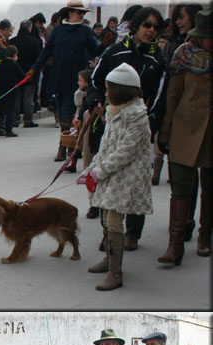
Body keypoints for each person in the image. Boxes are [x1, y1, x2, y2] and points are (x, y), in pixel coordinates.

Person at [90, 6, 168, 251]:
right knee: (109, 176)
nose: (151, 31)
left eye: (156, 27)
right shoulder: (114, 52)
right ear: (136, 26)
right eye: (147, 25)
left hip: (140, 123)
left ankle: (133, 232)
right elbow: (95, 80)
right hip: (111, 121)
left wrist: (150, 124)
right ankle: (110, 233)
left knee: (134, 178)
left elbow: (159, 96)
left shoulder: (157, 60)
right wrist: (97, 103)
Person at [81, 62, 153, 291]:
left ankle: (116, 272)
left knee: (113, 220)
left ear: (120, 90)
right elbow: (105, 147)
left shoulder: (137, 117)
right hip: (111, 173)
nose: (105, 93)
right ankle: (109, 260)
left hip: (127, 176)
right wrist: (89, 170)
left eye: (108, 88)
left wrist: (98, 172)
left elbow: (125, 152)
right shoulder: (114, 112)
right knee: (104, 216)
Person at [157, 8, 212, 264]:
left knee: (209, 189)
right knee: (180, 189)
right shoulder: (184, 54)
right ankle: (175, 244)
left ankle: (204, 237)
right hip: (183, 129)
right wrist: (165, 133)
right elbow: (172, 97)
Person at [28, 1, 101, 160]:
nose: (82, 15)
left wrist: (105, 44)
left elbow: (96, 50)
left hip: (79, 78)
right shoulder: (58, 31)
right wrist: (34, 69)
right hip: (60, 75)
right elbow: (46, 52)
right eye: (79, 12)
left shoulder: (86, 31)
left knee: (75, 113)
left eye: (83, 13)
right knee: (63, 114)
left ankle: (71, 148)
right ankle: (66, 146)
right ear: (69, 13)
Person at [0, 44, 24, 137]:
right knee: (10, 111)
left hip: (1, 91)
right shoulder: (15, 65)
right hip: (12, 91)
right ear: (15, 55)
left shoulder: (0, 65)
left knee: (0, 110)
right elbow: (21, 77)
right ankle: (8, 129)